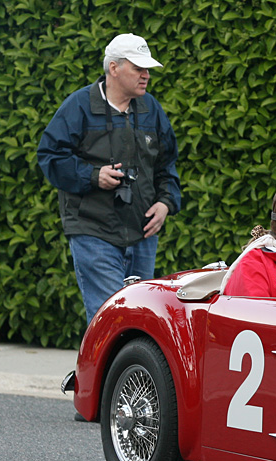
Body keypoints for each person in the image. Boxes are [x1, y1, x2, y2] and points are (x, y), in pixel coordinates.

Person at [38, 33, 181, 324]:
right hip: (93, 230)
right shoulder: (78, 106)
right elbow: (50, 157)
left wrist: (166, 202)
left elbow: (167, 164)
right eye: (138, 68)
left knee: (140, 320)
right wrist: (93, 176)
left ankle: (130, 372)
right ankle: (103, 371)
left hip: (142, 233)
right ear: (113, 68)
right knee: (111, 319)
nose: (146, 76)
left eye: (147, 70)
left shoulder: (150, 108)